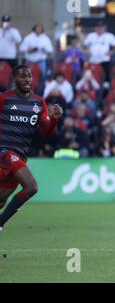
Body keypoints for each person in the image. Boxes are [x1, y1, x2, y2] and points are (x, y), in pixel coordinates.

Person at [0, 65, 63, 232]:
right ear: (14, 79)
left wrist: (54, 119)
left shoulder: (38, 102)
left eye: (29, 76)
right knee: (31, 187)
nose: (27, 79)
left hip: (20, 156)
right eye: (23, 76)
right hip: (4, 152)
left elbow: (46, 133)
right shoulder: (3, 99)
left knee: (1, 201)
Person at [19, 24, 54, 91]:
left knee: (43, 75)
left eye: (40, 28)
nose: (38, 29)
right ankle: (25, 90)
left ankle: (41, 90)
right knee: (25, 75)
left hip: (40, 61)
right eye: (37, 28)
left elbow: (50, 49)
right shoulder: (28, 37)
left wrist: (44, 49)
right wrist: (29, 48)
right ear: (34, 29)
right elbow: (21, 48)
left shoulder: (45, 38)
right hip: (30, 60)